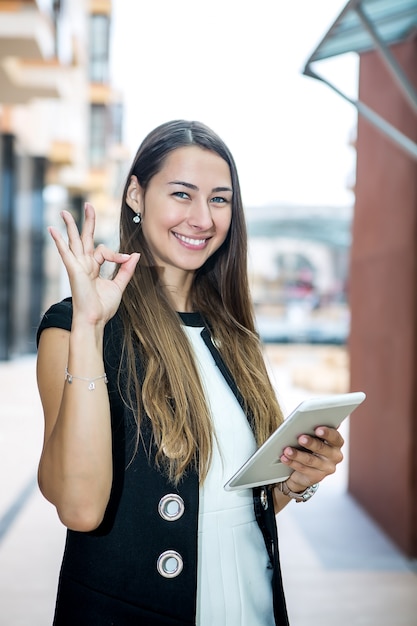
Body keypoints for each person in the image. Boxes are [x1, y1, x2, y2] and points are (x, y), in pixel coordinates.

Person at [36, 120, 344, 626]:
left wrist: (294, 481)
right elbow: (80, 508)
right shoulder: (74, 328)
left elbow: (237, 509)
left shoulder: (236, 336)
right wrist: (91, 327)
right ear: (136, 193)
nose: (202, 218)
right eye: (182, 194)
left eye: (220, 200)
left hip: (252, 607)